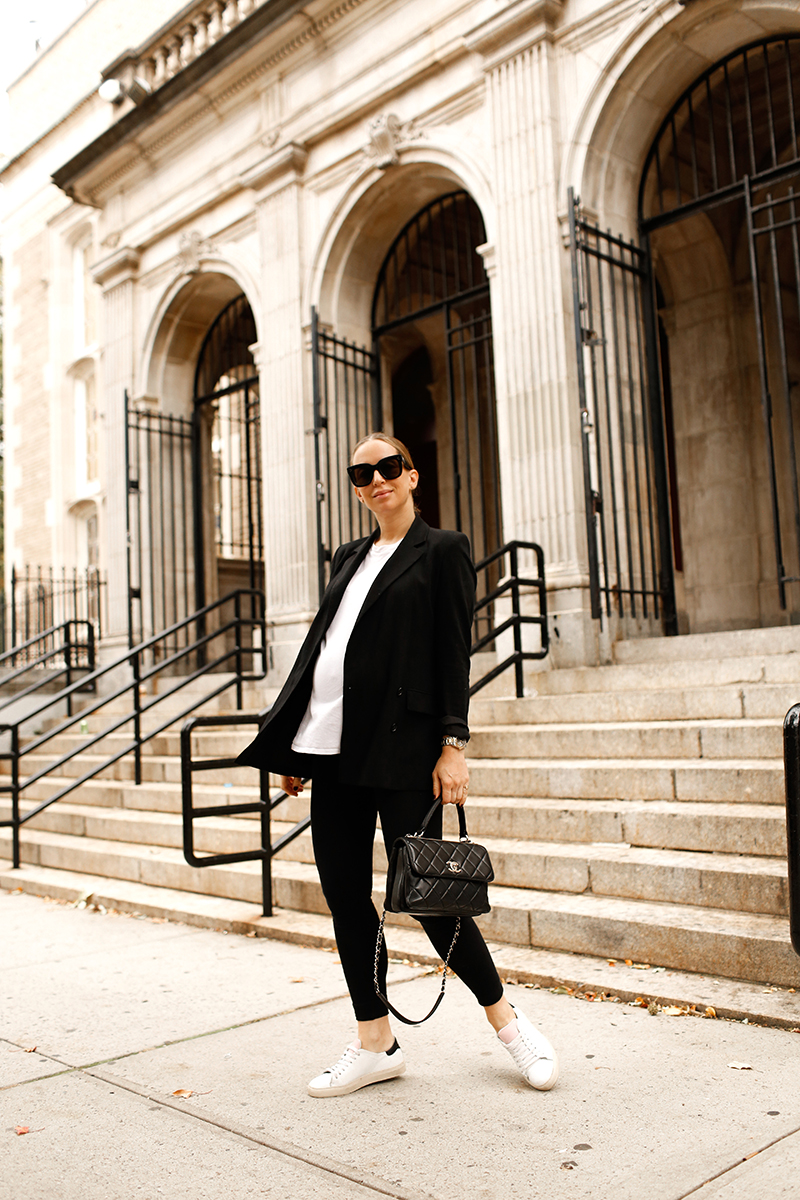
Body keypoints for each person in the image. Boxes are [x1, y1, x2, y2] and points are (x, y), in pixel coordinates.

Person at [238, 432, 559, 1097]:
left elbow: (451, 653)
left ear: (412, 476)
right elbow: (324, 654)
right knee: (345, 898)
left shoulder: (442, 551)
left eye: (388, 467)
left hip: (404, 748)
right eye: (363, 472)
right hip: (331, 750)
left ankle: (509, 1025)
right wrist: (297, 740)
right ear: (356, 486)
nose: (376, 479)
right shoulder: (348, 556)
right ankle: (375, 1041)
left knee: (431, 897)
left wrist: (454, 743)